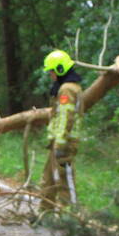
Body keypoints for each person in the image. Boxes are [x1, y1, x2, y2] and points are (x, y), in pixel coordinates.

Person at [40, 49, 83, 210]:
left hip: (64, 144)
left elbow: (66, 117)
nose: (51, 75)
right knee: (49, 179)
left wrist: (61, 143)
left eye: (51, 71)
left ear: (60, 69)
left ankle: (72, 216)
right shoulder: (65, 87)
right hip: (58, 143)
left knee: (65, 181)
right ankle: (45, 213)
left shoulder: (67, 89)